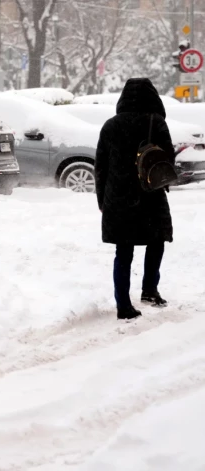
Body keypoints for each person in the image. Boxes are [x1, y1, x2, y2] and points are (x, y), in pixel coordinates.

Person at [95, 78, 175, 320]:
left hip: (119, 198)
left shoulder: (110, 126)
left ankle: (123, 305)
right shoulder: (156, 122)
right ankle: (150, 289)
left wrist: (103, 201)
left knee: (124, 250)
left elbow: (100, 167)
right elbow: (168, 159)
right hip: (150, 194)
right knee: (156, 240)